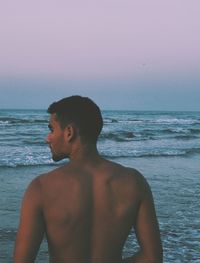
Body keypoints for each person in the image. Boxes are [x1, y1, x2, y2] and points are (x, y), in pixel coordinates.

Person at [13, 95, 163, 263]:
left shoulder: (41, 188)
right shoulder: (134, 182)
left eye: (52, 130)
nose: (48, 138)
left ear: (69, 132)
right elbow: (153, 258)